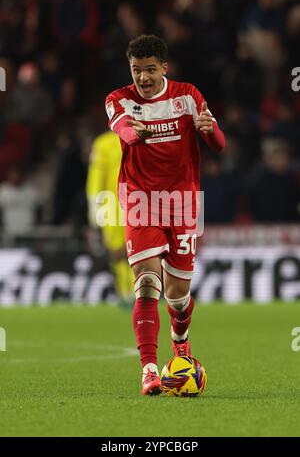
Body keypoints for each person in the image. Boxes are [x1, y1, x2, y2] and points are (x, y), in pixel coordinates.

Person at [105, 35, 225, 395]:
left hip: (184, 204)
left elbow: (219, 143)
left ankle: (181, 343)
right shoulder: (119, 99)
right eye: (136, 70)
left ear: (164, 68)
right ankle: (148, 371)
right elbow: (121, 127)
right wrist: (132, 134)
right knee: (146, 283)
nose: (143, 77)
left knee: (177, 296)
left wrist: (211, 131)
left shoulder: (188, 96)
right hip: (140, 201)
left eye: (150, 70)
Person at [86, 130, 134, 304]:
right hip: (113, 204)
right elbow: (96, 177)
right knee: (118, 251)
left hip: (139, 201)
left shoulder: (143, 135)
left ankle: (136, 292)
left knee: (137, 249)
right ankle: (125, 292)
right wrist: (94, 204)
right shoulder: (103, 143)